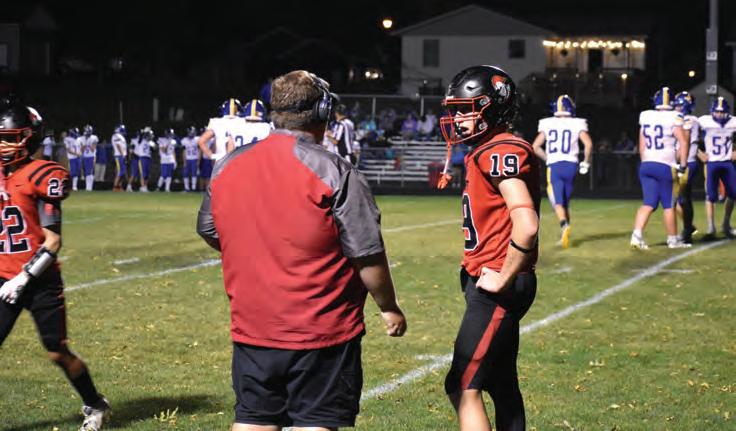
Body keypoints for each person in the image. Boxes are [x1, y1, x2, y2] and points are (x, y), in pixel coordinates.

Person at [197, 70, 406, 431]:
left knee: (253, 419)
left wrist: (259, 249)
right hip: (322, 328)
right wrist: (388, 306)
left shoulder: (228, 165)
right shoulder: (334, 170)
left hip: (253, 325)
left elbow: (210, 228)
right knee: (316, 421)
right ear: (323, 111)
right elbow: (366, 253)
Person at [438, 65, 539, 431]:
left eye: (466, 110)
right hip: (494, 276)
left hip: (498, 280)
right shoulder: (486, 149)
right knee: (500, 382)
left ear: (493, 108)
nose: (458, 119)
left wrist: (503, 276)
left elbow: (526, 223)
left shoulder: (501, 149)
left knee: (462, 384)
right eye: (456, 110)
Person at [0, 100, 111, 431]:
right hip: (4, 277)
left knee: (56, 352)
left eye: (8, 138)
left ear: (28, 139)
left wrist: (23, 278)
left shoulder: (42, 175)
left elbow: (52, 242)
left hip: (40, 281)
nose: (2, 145)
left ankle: (95, 404)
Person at [630, 87, 691, 249]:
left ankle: (636, 236)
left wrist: (646, 162)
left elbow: (641, 145)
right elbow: (683, 142)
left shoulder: (646, 116)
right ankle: (673, 240)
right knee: (669, 205)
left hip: (647, 164)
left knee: (648, 203)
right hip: (665, 165)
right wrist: (683, 165)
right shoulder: (674, 116)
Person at [532, 95, 593, 248]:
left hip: (555, 166)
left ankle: (564, 225)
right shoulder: (577, 123)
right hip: (571, 165)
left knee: (557, 201)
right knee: (564, 201)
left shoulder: (548, 123)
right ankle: (565, 233)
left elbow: (535, 146)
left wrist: (547, 158)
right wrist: (586, 161)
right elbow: (588, 144)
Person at [697, 96, 736, 239]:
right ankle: (710, 227)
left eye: (722, 112)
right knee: (711, 196)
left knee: (733, 194)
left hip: (727, 162)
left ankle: (726, 223)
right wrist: (698, 153)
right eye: (717, 112)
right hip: (711, 163)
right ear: (712, 111)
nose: (719, 115)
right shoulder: (703, 121)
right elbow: (689, 136)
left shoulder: (733, 121)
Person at [673, 92, 699, 243]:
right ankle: (688, 227)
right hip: (685, 161)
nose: (676, 108)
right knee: (678, 199)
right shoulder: (685, 119)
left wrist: (674, 157)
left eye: (679, 105)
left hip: (687, 162)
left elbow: (686, 141)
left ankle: (687, 231)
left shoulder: (689, 119)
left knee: (683, 199)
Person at [198, 98, 243, 163]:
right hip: (240, 160)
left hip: (221, 161)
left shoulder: (216, 122)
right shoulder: (243, 122)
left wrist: (212, 156)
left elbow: (201, 141)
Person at [132, 127, 154, 192]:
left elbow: (153, 149)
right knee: (143, 173)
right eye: (149, 135)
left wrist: (153, 147)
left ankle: (145, 186)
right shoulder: (141, 140)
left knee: (147, 174)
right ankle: (142, 186)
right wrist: (145, 131)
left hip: (148, 158)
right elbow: (141, 137)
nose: (151, 136)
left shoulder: (150, 142)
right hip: (142, 158)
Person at [156, 128, 177, 192]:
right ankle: (158, 187)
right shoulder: (161, 140)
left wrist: (175, 160)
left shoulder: (173, 141)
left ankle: (167, 188)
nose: (171, 135)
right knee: (164, 174)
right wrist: (168, 143)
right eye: (170, 134)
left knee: (169, 175)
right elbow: (163, 150)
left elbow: (173, 151)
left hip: (171, 159)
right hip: (164, 159)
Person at [111, 124, 130, 192]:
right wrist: (123, 155)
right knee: (120, 172)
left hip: (120, 155)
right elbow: (118, 145)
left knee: (121, 172)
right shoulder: (116, 135)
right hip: (119, 156)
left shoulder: (120, 136)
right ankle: (115, 187)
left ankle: (119, 187)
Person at [181, 126, 200, 192]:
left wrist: (198, 160)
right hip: (187, 159)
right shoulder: (184, 140)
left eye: (193, 132)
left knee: (194, 174)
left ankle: (193, 188)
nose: (192, 133)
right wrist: (184, 161)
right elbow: (184, 151)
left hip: (194, 158)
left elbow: (199, 151)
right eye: (191, 132)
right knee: (185, 173)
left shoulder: (197, 139)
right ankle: (187, 188)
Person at [80, 125, 97, 191]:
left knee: (90, 172)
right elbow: (81, 150)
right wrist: (84, 145)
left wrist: (88, 144)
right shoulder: (83, 138)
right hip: (85, 156)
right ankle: (88, 187)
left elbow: (93, 149)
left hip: (91, 156)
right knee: (86, 172)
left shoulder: (94, 137)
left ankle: (89, 188)